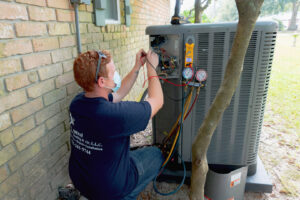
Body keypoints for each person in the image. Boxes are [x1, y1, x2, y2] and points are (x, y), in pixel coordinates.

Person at [68, 49, 164, 200]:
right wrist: (152, 68)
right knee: (156, 155)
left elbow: (119, 94)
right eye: (113, 72)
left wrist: (137, 67)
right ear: (101, 82)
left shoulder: (77, 103)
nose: (116, 74)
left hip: (81, 180)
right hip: (110, 189)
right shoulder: (116, 115)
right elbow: (157, 100)